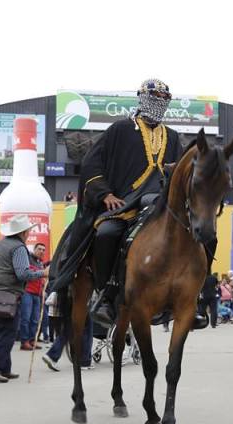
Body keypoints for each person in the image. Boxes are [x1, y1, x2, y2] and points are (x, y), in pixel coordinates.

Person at [52, 78, 213, 328]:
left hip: (160, 202)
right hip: (124, 202)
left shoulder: (172, 137)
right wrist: (105, 194)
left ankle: (193, 298)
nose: (158, 104)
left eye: (163, 100)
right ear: (142, 98)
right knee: (106, 233)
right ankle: (107, 294)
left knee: (203, 235)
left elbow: (181, 174)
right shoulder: (119, 129)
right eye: (154, 98)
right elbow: (92, 164)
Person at [0, 215, 48, 383]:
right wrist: (43, 273)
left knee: (0, 332)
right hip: (9, 294)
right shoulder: (18, 248)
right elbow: (23, 273)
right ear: (24, 232)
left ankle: (4, 368)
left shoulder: (0, 244)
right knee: (8, 334)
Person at [19, 243, 46, 351]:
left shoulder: (40, 263)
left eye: (43, 250)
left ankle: (32, 340)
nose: (41, 251)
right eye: (39, 249)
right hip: (27, 292)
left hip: (37, 294)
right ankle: (24, 341)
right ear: (34, 249)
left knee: (35, 319)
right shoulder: (28, 259)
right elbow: (27, 274)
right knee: (26, 318)